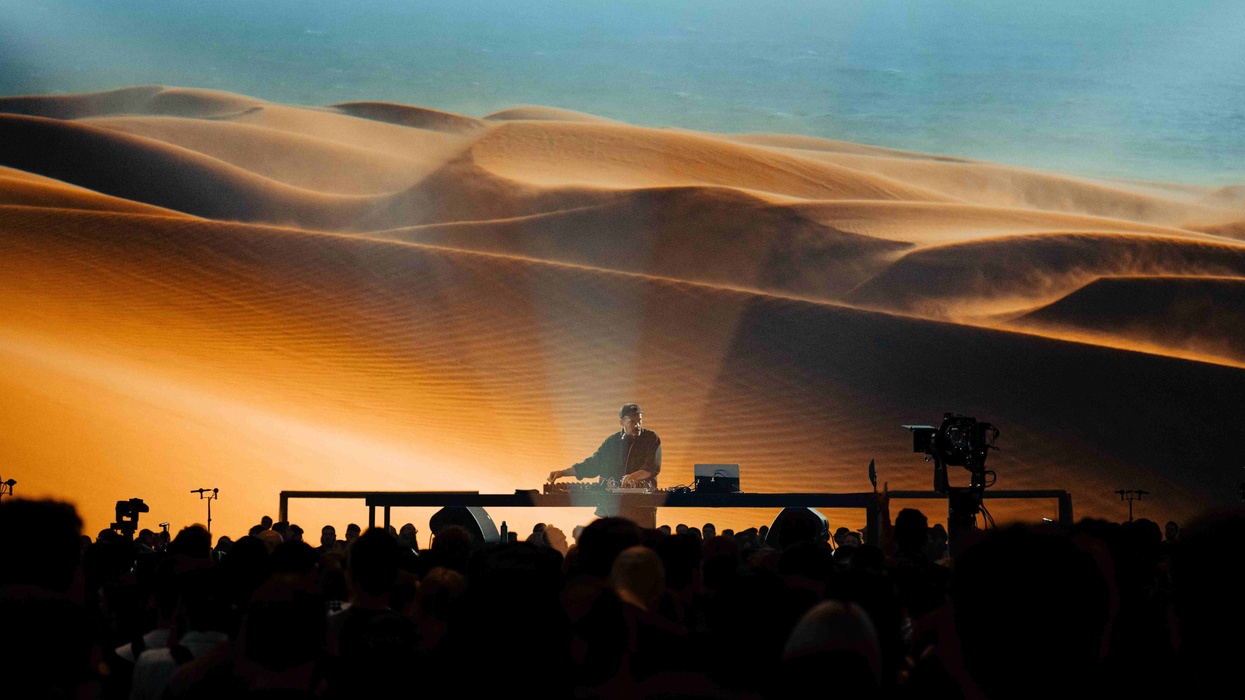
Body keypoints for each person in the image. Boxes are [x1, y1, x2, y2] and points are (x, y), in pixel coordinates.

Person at [548, 403, 662, 489]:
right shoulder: (612, 442)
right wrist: (563, 473)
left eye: (639, 421)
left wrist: (634, 477)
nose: (637, 425)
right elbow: (592, 464)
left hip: (641, 505)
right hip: (613, 507)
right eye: (632, 422)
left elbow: (651, 468)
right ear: (622, 423)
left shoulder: (651, 438)